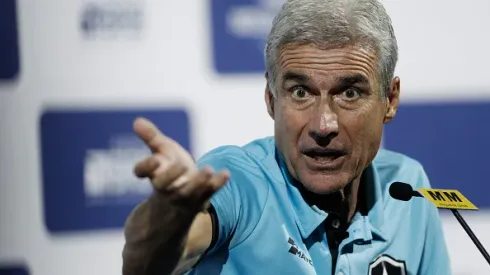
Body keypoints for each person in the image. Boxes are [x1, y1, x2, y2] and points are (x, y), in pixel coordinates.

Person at [122, 0, 451, 274]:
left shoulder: (409, 187)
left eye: (350, 93)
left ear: (390, 100)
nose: (324, 125)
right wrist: (170, 217)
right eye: (300, 92)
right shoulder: (236, 180)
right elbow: (150, 263)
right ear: (270, 99)